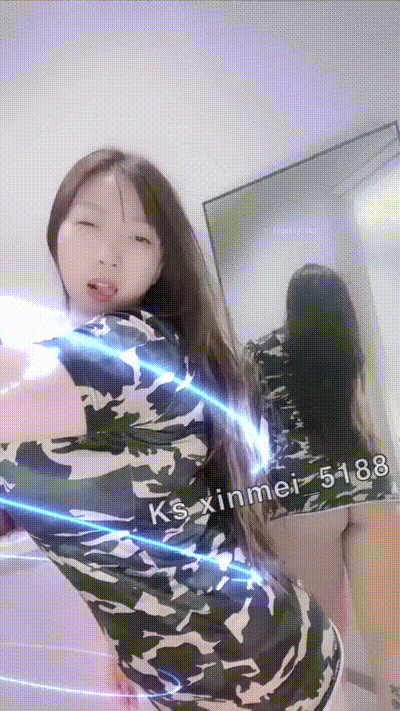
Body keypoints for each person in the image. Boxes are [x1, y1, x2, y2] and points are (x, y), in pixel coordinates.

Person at [0, 153, 343, 711]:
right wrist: (118, 641)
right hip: (181, 681)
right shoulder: (66, 375)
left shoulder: (137, 348)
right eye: (88, 223)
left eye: (139, 238)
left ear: (163, 261)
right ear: (56, 231)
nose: (108, 254)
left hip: (279, 674)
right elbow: (111, 534)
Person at [244, 263, 400, 710]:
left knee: (325, 639)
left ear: (291, 306)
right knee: (391, 639)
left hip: (302, 498)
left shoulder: (259, 353)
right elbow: (364, 417)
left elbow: (247, 432)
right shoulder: (347, 345)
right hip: (371, 488)